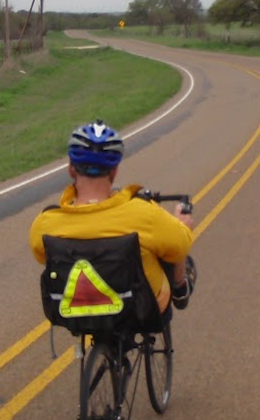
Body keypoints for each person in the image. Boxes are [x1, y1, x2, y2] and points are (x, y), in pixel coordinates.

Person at [29, 120, 197, 315]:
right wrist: (181, 224)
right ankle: (180, 292)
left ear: (71, 169)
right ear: (114, 171)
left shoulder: (45, 223)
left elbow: (42, 257)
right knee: (169, 248)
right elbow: (180, 246)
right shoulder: (145, 214)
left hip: (75, 314)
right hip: (142, 313)